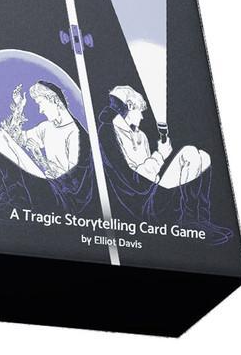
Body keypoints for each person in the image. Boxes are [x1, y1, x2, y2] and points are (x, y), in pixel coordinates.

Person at [98, 85, 232, 245]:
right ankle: (189, 221)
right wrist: (160, 155)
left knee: (204, 156)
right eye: (140, 110)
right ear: (130, 106)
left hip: (153, 193)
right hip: (141, 205)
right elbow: (135, 183)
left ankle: (201, 219)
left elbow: (149, 178)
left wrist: (161, 158)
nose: (142, 117)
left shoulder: (141, 136)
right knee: (189, 152)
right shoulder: (108, 133)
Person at [0, 81, 95, 222]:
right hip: (43, 183)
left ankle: (17, 203)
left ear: (55, 101)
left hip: (61, 197)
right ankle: (6, 197)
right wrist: (19, 107)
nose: (40, 110)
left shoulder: (77, 134)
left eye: (40, 103)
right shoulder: (47, 127)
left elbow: (72, 182)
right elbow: (15, 137)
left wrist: (39, 158)